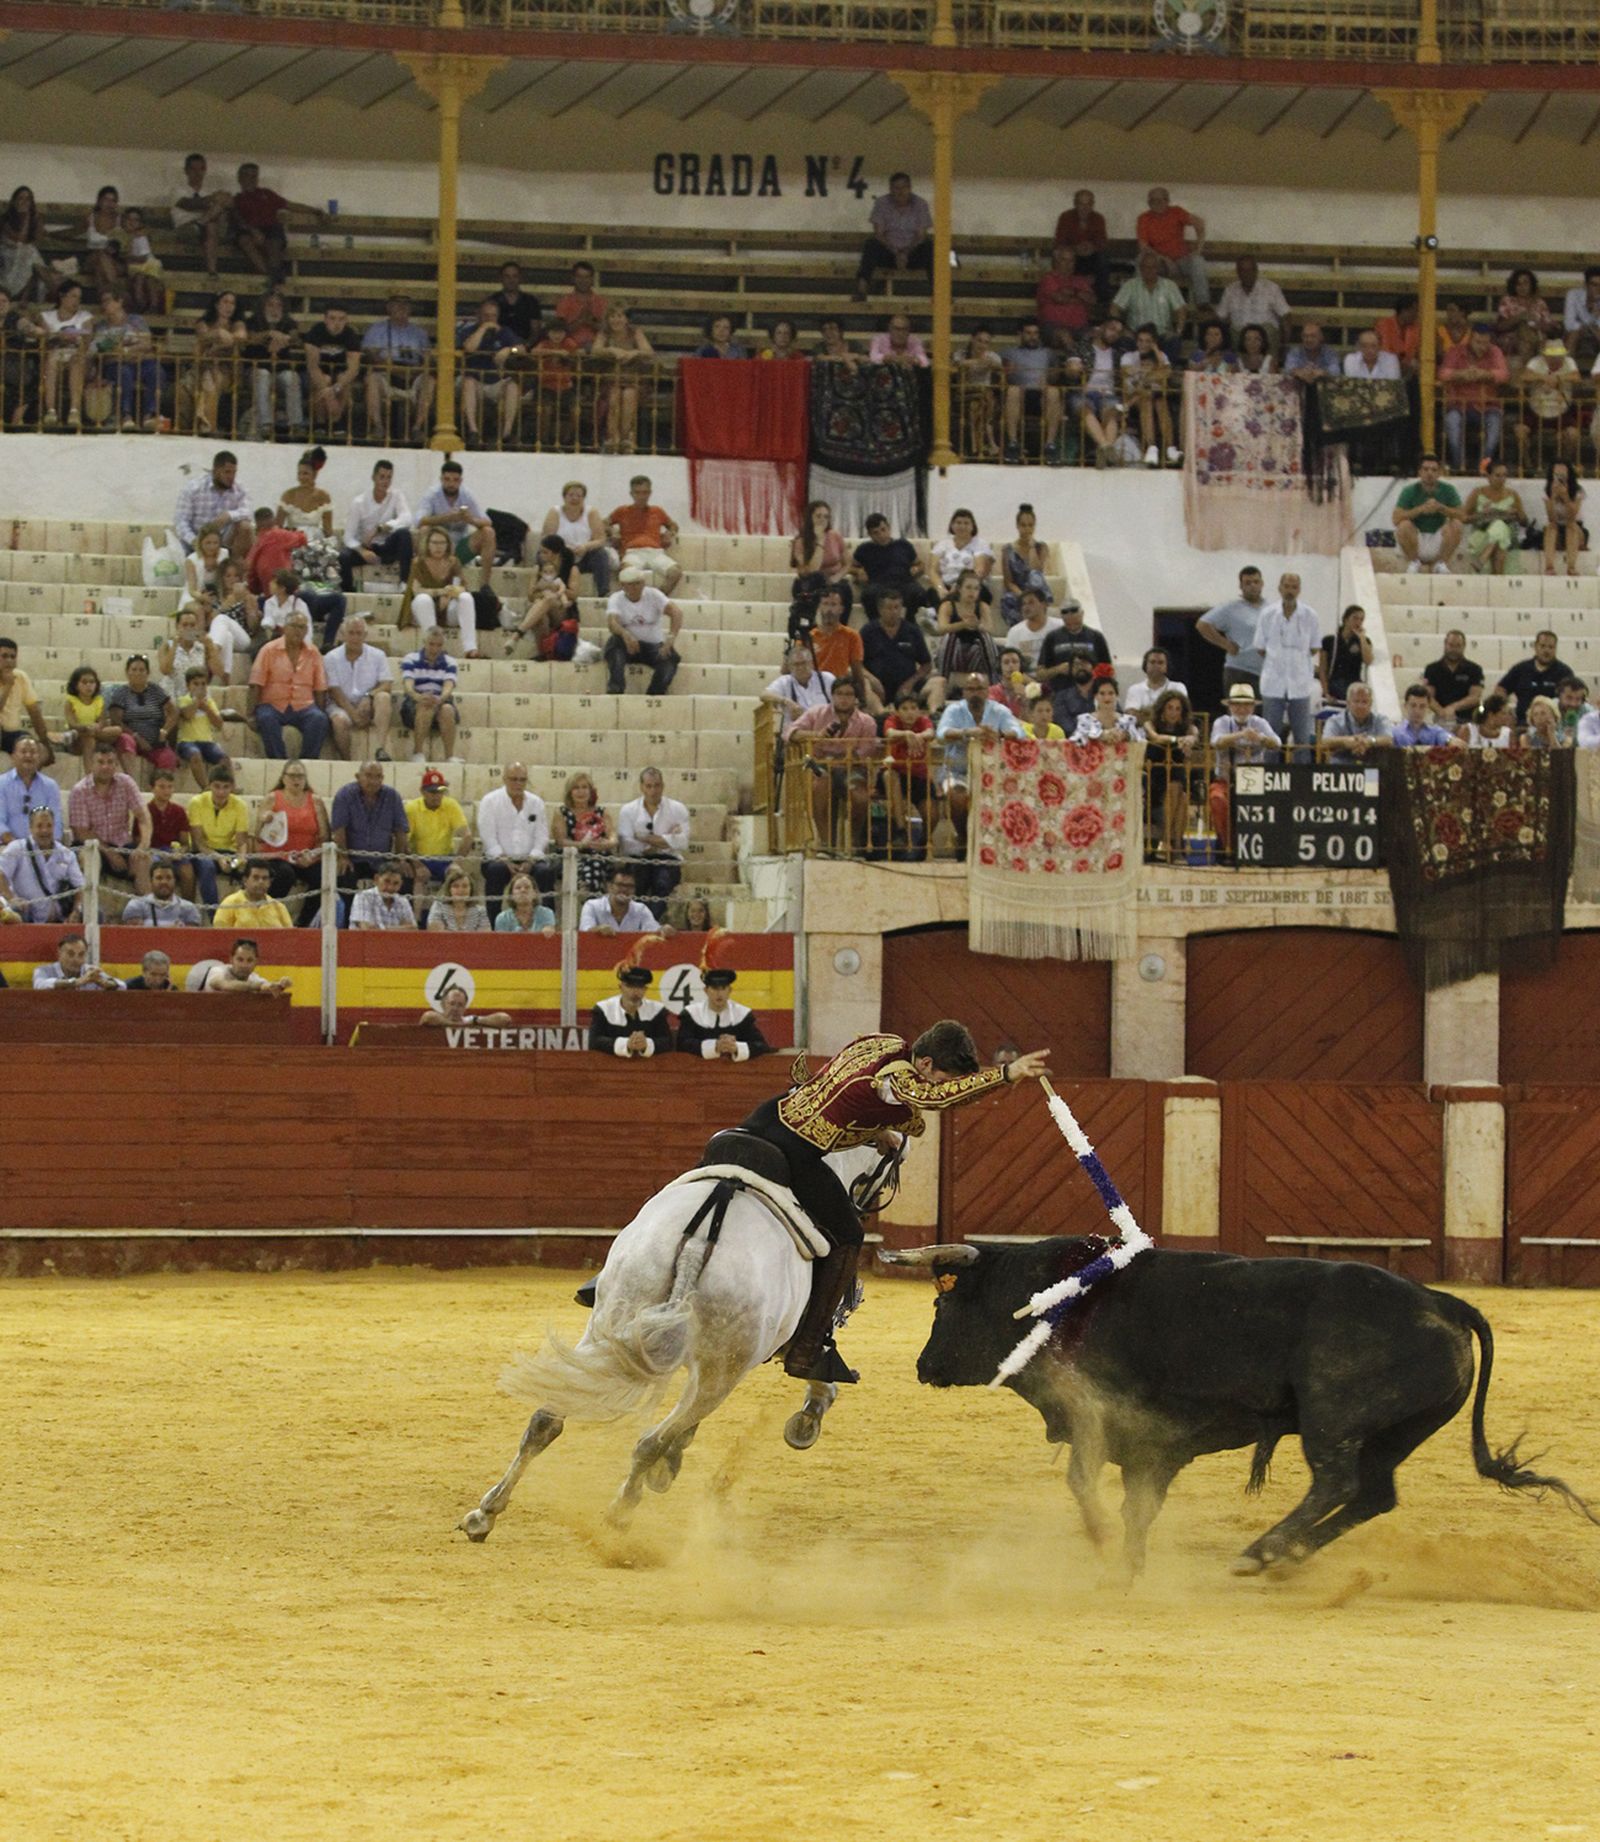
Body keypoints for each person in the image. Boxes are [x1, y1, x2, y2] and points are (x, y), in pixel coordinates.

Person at [733, 1022, 1051, 1383]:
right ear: (926, 1063)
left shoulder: (882, 1043)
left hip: (766, 1116)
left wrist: (875, 1130)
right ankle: (807, 1350)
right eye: (939, 1078)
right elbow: (934, 1099)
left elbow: (840, 1086)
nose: (936, 1086)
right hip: (797, 1150)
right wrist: (1007, 1073)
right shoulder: (899, 1081)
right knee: (850, 1235)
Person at [936, 671, 1028, 849]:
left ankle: (999, 846)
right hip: (957, 772)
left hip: (993, 773)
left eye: (979, 689)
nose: (975, 693)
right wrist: (966, 733)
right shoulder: (954, 710)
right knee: (957, 796)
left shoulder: (999, 711)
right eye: (970, 689)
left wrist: (999, 735)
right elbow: (941, 734)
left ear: (987, 691)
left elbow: (1020, 733)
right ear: (964, 692)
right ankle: (964, 839)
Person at [788, 679, 879, 850]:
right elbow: (790, 733)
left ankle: (854, 842)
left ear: (856, 699)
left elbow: (866, 750)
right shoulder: (816, 713)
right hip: (818, 765)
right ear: (832, 696)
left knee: (860, 797)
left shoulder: (867, 721)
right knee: (821, 785)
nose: (844, 699)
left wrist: (850, 756)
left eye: (849, 694)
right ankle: (825, 843)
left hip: (851, 768)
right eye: (839, 694)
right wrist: (817, 735)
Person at [69, 742, 153, 894]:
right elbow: (81, 831)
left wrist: (142, 846)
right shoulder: (79, 790)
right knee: (89, 857)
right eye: (100, 762)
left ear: (116, 765)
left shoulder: (126, 783)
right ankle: (90, 913)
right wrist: (109, 853)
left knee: (143, 859)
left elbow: (143, 817)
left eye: (110, 762)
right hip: (93, 846)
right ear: (92, 764)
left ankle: (148, 912)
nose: (105, 767)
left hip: (122, 843)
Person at [249, 607, 329, 762]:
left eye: (302, 627)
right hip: (272, 704)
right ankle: (279, 763)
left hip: (304, 706)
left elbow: (320, 687)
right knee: (266, 718)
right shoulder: (268, 650)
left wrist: (322, 711)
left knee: (319, 719)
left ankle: (306, 763)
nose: (298, 631)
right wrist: (250, 714)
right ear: (285, 628)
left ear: (306, 631)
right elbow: (255, 684)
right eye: (293, 626)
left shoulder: (313, 653)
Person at [1254, 572, 1321, 756]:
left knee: (1302, 738)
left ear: (1299, 589)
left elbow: (1315, 648)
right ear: (1279, 588)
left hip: (1300, 684)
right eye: (1287, 586)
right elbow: (1260, 647)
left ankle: (1301, 781)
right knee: (1270, 737)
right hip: (1273, 684)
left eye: (1294, 587)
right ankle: (1270, 779)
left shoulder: (1310, 615)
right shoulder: (1267, 614)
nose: (1290, 591)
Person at [255, 759, 330, 922]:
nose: (296, 780)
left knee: (323, 877)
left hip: (306, 856)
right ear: (283, 778)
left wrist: (311, 856)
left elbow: (324, 837)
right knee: (285, 874)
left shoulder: (316, 801)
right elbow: (258, 835)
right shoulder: (272, 798)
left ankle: (304, 923)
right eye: (292, 776)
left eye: (300, 776)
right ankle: (266, 915)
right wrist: (265, 820)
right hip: (277, 856)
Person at [232, 163, 325, 284]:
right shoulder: (237, 199)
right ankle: (273, 276)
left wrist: (315, 210)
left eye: (254, 176)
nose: (251, 180)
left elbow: (290, 205)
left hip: (271, 229)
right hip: (249, 231)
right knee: (245, 241)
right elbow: (239, 220)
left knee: (274, 242)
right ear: (239, 178)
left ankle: (274, 276)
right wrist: (253, 231)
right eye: (247, 176)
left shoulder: (267, 194)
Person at [477, 761, 553, 907]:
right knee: (496, 870)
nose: (518, 783)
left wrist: (531, 861)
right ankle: (494, 926)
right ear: (504, 779)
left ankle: (546, 924)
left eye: (522, 779)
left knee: (545, 872)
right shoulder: (490, 801)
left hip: (530, 858)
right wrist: (505, 861)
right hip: (498, 859)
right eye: (514, 779)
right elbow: (488, 836)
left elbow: (542, 836)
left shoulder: (536, 803)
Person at [361, 293, 433, 441]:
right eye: (397, 304)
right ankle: (378, 427)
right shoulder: (377, 329)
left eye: (405, 304)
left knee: (430, 381)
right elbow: (370, 355)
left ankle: (417, 427)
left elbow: (427, 359)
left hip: (413, 373)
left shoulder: (419, 333)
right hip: (386, 373)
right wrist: (392, 368)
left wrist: (416, 370)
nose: (402, 308)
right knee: (372, 378)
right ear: (389, 307)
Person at [331, 762, 410, 897]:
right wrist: (343, 857)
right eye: (368, 776)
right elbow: (339, 829)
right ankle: (348, 918)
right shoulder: (344, 795)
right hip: (353, 858)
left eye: (378, 777)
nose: (373, 781)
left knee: (405, 878)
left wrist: (399, 859)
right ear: (358, 777)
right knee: (344, 877)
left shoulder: (392, 796)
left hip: (382, 860)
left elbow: (401, 830)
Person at [414, 460, 496, 589]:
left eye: (455, 480)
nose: (451, 484)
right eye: (447, 479)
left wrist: (470, 519)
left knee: (488, 532)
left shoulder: (467, 495)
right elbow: (419, 521)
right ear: (441, 479)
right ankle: (424, 578)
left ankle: (485, 586)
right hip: (437, 548)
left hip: (459, 547)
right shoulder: (432, 494)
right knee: (424, 530)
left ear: (460, 481)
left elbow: (487, 521)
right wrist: (446, 518)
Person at [405, 527, 481, 664]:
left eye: (442, 543)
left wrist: (450, 594)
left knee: (466, 597)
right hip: (424, 610)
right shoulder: (418, 562)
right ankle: (433, 647)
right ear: (427, 544)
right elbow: (417, 590)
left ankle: (470, 648)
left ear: (448, 545)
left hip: (446, 609)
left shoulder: (453, 562)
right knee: (423, 599)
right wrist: (441, 592)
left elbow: (462, 587)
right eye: (434, 543)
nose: (438, 547)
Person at [324, 616, 395, 762]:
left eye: (359, 633)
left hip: (368, 704)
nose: (355, 637)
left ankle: (380, 749)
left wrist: (369, 696)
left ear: (365, 635)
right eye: (351, 633)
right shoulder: (331, 657)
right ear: (343, 634)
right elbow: (334, 690)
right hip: (341, 704)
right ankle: (347, 760)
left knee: (383, 697)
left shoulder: (377, 655)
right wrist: (353, 714)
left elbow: (386, 683)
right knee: (339, 721)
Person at [617, 767, 690, 909]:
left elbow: (683, 842)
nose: (653, 791)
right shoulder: (628, 810)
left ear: (662, 786)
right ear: (641, 787)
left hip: (668, 860)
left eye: (657, 786)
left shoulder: (678, 808)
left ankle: (650, 925)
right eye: (648, 786)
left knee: (663, 883)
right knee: (636, 884)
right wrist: (666, 840)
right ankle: (638, 926)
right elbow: (626, 845)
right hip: (638, 860)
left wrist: (643, 838)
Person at [1034, 600, 1111, 733]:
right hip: (1060, 696)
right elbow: (1040, 673)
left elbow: (1108, 670)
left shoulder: (1096, 637)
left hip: (1091, 695)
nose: (1072, 624)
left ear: (1082, 614)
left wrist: (1089, 673)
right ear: (1062, 618)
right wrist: (1058, 669)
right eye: (1067, 621)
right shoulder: (1052, 637)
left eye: (1074, 612)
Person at [1441, 322, 1508, 472]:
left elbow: (1504, 375)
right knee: (1452, 423)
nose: (1482, 346)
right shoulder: (1455, 351)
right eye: (1478, 342)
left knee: (1494, 429)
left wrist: (1484, 374)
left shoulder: (1495, 351)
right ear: (1470, 339)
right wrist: (1461, 374)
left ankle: (1483, 468)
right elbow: (1443, 373)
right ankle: (1459, 466)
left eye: (1485, 343)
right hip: (1459, 405)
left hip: (1488, 406)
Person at [456, 296, 523, 447]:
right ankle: (473, 431)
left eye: (493, 316)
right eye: (486, 315)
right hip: (474, 380)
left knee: (512, 386)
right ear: (478, 315)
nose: (490, 319)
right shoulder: (469, 331)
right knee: (468, 383)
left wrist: (508, 349)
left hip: (496, 381)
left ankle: (506, 433)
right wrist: (484, 328)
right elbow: (469, 348)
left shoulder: (504, 332)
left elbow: (521, 348)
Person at [604, 567, 682, 696]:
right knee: (614, 645)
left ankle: (654, 694)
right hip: (627, 645)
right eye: (630, 584)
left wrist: (671, 637)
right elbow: (612, 622)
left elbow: (676, 612)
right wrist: (625, 634)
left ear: (643, 583)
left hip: (652, 646)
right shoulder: (616, 598)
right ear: (622, 586)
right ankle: (615, 691)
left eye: (638, 583)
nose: (635, 588)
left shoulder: (653, 595)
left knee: (670, 658)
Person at [854, 172, 932, 300]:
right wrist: (896, 253)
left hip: (912, 254)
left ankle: (940, 293)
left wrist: (905, 253)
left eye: (904, 187)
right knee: (871, 244)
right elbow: (879, 234)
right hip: (889, 253)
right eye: (896, 188)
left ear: (910, 188)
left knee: (930, 246)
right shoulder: (882, 203)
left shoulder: (920, 204)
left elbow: (921, 236)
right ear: (890, 189)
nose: (900, 192)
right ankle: (861, 290)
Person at [340, 460, 414, 593]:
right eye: (382, 477)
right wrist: (362, 551)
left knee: (404, 534)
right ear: (373, 478)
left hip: (386, 546)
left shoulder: (396, 496)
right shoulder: (359, 502)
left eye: (389, 477)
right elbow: (348, 537)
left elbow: (407, 518)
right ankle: (349, 592)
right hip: (367, 548)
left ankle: (404, 583)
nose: (385, 481)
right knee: (343, 556)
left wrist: (381, 528)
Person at [0, 804, 83, 922]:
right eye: (39, 826)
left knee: (93, 913)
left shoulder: (66, 854)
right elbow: (1, 874)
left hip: (61, 917)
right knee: (11, 911)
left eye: (49, 826)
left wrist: (76, 910)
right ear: (30, 828)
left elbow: (80, 887)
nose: (45, 830)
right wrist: (11, 898)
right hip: (26, 915)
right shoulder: (17, 848)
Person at [1143, 688, 1199, 862]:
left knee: (1180, 794)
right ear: (1162, 709)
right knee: (1177, 790)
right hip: (1155, 781)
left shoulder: (1189, 728)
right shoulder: (1150, 724)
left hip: (1176, 781)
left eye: (1177, 709)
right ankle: (1173, 846)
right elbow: (1156, 737)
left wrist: (1189, 741)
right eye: (1170, 708)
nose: (1174, 712)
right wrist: (1176, 740)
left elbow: (1194, 737)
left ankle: (1169, 844)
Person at [187, 762, 252, 910]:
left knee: (250, 869)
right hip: (204, 852)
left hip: (229, 851)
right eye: (217, 786)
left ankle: (247, 913)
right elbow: (198, 843)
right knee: (207, 866)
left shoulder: (240, 805)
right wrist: (218, 857)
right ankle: (214, 915)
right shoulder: (196, 803)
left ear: (232, 788)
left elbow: (241, 842)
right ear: (209, 786)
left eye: (226, 787)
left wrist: (240, 860)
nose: (221, 792)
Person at [241, 288, 302, 438]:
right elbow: (250, 338)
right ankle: (265, 424)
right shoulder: (252, 322)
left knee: (292, 377)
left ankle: (296, 424)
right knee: (262, 375)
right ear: (263, 307)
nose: (275, 309)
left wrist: (284, 339)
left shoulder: (288, 323)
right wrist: (269, 334)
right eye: (270, 305)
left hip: (280, 370)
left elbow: (295, 338)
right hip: (256, 369)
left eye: (279, 305)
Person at [405, 766, 472, 902]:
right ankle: (417, 919)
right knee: (420, 877)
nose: (436, 795)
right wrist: (417, 864)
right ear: (423, 791)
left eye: (440, 791)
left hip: (445, 858)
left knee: (456, 875)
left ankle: (452, 915)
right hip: (421, 857)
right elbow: (404, 841)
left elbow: (467, 836)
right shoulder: (412, 808)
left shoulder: (450, 805)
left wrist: (457, 862)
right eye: (432, 791)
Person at [1136, 185, 1209, 306]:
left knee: (1198, 261)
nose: (1157, 203)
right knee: (1140, 260)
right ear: (1148, 203)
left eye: (1160, 200)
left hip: (1181, 261)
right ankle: (1140, 300)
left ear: (1167, 201)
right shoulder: (1144, 218)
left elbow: (1200, 224)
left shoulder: (1176, 212)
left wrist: (1198, 249)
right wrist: (1164, 259)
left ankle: (1203, 303)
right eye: (1153, 200)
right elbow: (1143, 246)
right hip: (1158, 262)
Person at [607, 475, 681, 593]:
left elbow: (673, 525)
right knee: (627, 573)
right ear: (631, 493)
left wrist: (669, 533)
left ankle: (657, 598)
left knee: (675, 572)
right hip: (632, 552)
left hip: (655, 552)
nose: (641, 496)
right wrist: (612, 532)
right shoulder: (622, 511)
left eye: (645, 492)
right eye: (637, 492)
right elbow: (604, 523)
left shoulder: (657, 511)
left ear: (650, 493)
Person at [676, 969, 771, 1061]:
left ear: (729, 990)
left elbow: (761, 1045)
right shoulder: (692, 1013)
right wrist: (714, 1046)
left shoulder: (741, 1014)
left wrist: (736, 1047)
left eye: (723, 988)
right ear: (706, 990)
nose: (719, 994)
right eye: (714, 988)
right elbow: (681, 1045)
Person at [1003, 319, 1063, 464]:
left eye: (1035, 333)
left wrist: (1050, 376)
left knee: (1054, 392)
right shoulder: (1008, 352)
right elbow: (995, 367)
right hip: (1019, 394)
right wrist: (1005, 371)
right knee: (1012, 391)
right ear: (1020, 335)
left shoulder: (1048, 353)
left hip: (1041, 395)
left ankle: (1050, 444)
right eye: (1028, 333)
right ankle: (1013, 443)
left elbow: (1057, 374)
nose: (1033, 336)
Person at [399, 627, 460, 765]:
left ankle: (449, 756)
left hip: (440, 699)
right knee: (425, 705)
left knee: (447, 710)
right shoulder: (411, 658)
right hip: (415, 700)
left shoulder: (450, 662)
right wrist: (418, 697)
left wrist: (440, 699)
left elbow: (448, 685)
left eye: (439, 645)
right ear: (424, 642)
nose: (435, 649)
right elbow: (408, 684)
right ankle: (418, 752)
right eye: (431, 644)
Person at [861, 590, 931, 709]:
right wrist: (872, 680)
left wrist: (910, 683)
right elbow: (857, 664)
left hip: (907, 688)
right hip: (878, 688)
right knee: (865, 685)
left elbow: (926, 664)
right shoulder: (868, 631)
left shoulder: (912, 631)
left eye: (896, 607)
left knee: (939, 682)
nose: (893, 612)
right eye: (889, 608)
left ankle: (935, 714)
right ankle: (882, 715)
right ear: (880, 609)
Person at [544, 481, 614, 600]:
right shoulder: (555, 512)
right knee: (543, 555)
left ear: (583, 498)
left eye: (578, 496)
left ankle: (604, 592)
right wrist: (565, 548)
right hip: (561, 556)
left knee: (601, 554)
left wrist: (585, 547)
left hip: (584, 555)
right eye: (571, 495)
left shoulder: (592, 512)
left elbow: (601, 539)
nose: (575, 498)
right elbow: (547, 538)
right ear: (564, 497)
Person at [175, 450, 251, 559]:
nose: (231, 477)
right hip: (195, 542)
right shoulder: (193, 488)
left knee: (245, 526)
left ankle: (236, 568)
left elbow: (248, 511)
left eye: (234, 472)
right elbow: (181, 521)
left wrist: (229, 515)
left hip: (223, 542)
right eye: (227, 472)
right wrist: (195, 541)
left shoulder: (239, 489)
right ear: (215, 471)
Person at [852, 511, 928, 620]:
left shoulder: (903, 545)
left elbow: (920, 564)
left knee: (918, 593)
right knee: (868, 595)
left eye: (883, 529)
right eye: (876, 533)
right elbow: (850, 567)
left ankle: (909, 624)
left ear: (889, 528)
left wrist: (916, 569)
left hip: (904, 583)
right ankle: (876, 627)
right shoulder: (864, 549)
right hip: (878, 585)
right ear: (870, 535)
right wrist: (858, 572)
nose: (881, 535)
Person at [554, 771, 617, 896]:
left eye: (584, 787)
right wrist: (582, 845)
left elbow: (613, 838)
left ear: (591, 791)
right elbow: (560, 841)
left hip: (598, 854)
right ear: (570, 792)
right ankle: (589, 896)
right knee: (587, 867)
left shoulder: (602, 812)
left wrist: (606, 844)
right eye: (576, 788)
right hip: (572, 855)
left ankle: (587, 891)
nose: (581, 792)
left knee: (596, 863)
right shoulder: (561, 813)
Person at [588, 964, 673, 1056]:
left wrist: (647, 1044)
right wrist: (625, 1044)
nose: (635, 991)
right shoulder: (604, 1009)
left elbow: (668, 1042)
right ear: (621, 987)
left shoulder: (656, 1010)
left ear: (645, 989)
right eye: (630, 986)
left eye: (640, 986)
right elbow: (594, 1042)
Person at [170, 665, 229, 792]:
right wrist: (197, 701)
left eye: (203, 684)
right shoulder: (183, 700)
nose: (199, 687)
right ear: (188, 685)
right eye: (195, 684)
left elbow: (219, 724)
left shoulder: (210, 702)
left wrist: (207, 708)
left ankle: (230, 787)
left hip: (207, 742)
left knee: (224, 759)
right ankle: (206, 787)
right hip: (187, 741)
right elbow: (188, 715)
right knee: (195, 755)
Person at [1113, 251, 1187, 352]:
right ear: (1140, 268)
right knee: (1122, 341)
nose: (1149, 270)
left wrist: (1177, 332)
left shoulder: (1169, 285)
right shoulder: (1130, 285)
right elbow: (1114, 308)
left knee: (1174, 341)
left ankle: (1165, 368)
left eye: (1153, 267)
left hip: (1161, 336)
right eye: (1146, 267)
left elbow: (1181, 310)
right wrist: (1122, 329)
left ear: (1158, 269)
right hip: (1136, 336)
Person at [1462, 462, 1525, 576]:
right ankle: (1498, 580)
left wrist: (1517, 513)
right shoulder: (1478, 493)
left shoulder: (1512, 494)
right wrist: (1481, 514)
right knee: (1500, 528)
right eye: (1498, 475)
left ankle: (1483, 559)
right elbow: (1463, 518)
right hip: (1482, 536)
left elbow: (1524, 521)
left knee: (1500, 527)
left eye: (1504, 475)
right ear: (1488, 477)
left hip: (1506, 538)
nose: (1502, 479)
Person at [1215, 256, 1289, 353]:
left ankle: (1269, 365)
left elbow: (1286, 315)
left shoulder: (1271, 288)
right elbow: (1220, 317)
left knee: (1269, 330)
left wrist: (1284, 340)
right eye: (1242, 270)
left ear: (1256, 271)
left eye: (1250, 270)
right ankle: (1238, 366)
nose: (1246, 274)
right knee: (1232, 331)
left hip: (1265, 335)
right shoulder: (1230, 290)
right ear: (1237, 272)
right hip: (1240, 335)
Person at [1499, 629, 1574, 722]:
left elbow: (1573, 697)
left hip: (1554, 727)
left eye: (1551, 647)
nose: (1546, 650)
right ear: (1535, 646)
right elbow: (1501, 689)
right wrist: (1505, 709)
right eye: (1542, 646)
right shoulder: (1521, 669)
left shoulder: (1564, 672)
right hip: (1522, 725)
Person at [762, 639, 835, 734]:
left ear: (811, 663)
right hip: (797, 738)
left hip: (826, 733)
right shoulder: (785, 681)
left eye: (804, 663)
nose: (800, 668)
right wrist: (787, 702)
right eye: (796, 664)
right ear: (790, 666)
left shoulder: (826, 678)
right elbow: (764, 695)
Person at [0, 736, 59, 845]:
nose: (28, 756)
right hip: (7, 847)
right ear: (13, 757)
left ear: (39, 757)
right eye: (23, 752)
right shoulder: (1, 784)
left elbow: (56, 823)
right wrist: (20, 848)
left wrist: (48, 848)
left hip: (42, 847)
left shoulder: (50, 786)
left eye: (33, 752)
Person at [1052, 187, 1109, 298]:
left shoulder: (1098, 218)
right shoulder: (1065, 217)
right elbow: (1060, 241)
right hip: (1072, 255)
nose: (1085, 208)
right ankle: (1065, 292)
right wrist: (1074, 248)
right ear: (1075, 204)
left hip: (1092, 256)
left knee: (1103, 259)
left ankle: (1100, 298)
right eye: (1081, 204)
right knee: (1061, 257)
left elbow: (1102, 242)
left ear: (1092, 204)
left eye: (1088, 204)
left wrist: (1091, 247)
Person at [1321, 683, 1393, 765]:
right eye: (1356, 701)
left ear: (1371, 703)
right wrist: (1347, 741)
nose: (1360, 706)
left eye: (1364, 702)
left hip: (1371, 768)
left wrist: (1369, 741)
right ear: (1348, 703)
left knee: (1375, 776)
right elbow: (1325, 741)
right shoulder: (1335, 720)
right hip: (1342, 769)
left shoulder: (1380, 719)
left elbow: (1388, 739)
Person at [1424, 629, 1486, 722]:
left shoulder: (1475, 669)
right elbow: (1428, 696)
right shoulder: (1432, 669)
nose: (1454, 649)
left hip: (1467, 719)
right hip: (1441, 719)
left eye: (1458, 646)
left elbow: (1475, 697)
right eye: (1451, 645)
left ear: (1464, 646)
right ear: (1445, 644)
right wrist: (1442, 712)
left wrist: (1453, 707)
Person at [579, 865, 661, 934]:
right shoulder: (592, 906)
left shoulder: (641, 909)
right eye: (620, 885)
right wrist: (598, 930)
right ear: (609, 887)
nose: (624, 890)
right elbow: (584, 933)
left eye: (630, 886)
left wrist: (664, 930)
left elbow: (654, 931)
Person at [214, 860, 294, 929]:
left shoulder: (279, 907)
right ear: (245, 880)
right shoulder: (230, 903)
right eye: (256, 878)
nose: (261, 882)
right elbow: (220, 937)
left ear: (269, 883)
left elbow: (290, 938)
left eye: (265, 878)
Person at [203, 936, 292, 996]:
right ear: (231, 960)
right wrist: (259, 986)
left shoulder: (254, 979)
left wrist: (280, 985)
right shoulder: (217, 971)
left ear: (256, 962)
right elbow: (227, 985)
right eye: (240, 960)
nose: (244, 965)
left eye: (249, 960)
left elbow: (266, 986)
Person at [1318, 606, 1372, 706]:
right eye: (1355, 618)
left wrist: (1362, 638)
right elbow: (1322, 669)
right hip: (1335, 682)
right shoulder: (1330, 641)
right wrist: (1326, 693)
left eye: (1361, 619)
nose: (1358, 622)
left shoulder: (1363, 641)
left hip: (1354, 682)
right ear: (1346, 619)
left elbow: (1368, 661)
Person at [33, 933, 122, 992]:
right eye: (70, 954)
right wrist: (76, 982)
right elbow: (39, 985)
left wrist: (104, 983)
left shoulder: (90, 971)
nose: (76, 959)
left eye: (81, 955)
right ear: (59, 953)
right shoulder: (43, 970)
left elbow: (122, 985)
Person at [1071, 673, 1142, 743]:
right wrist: (1100, 736)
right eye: (1102, 693)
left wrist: (1126, 735)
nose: (1107, 698)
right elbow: (1076, 741)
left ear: (1117, 695)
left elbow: (1140, 741)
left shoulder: (1128, 720)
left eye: (1111, 693)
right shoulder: (1086, 720)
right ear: (1095, 696)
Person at [1543, 459, 1585, 577]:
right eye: (1557, 474)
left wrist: (1566, 497)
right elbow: (1551, 518)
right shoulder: (1548, 490)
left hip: (1575, 528)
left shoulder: (1577, 490)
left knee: (1570, 526)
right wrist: (1553, 497)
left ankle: (1571, 567)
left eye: (1563, 474)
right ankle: (1549, 567)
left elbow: (1573, 516)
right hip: (1556, 528)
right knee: (1551, 527)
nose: (1560, 477)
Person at [551, 261, 607, 350]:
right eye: (579, 277)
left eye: (587, 277)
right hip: (569, 347)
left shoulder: (600, 302)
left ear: (592, 279)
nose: (583, 281)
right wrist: (580, 320)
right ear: (573, 278)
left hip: (596, 346)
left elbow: (606, 329)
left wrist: (590, 321)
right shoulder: (564, 302)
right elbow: (559, 332)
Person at [349, 859, 417, 931]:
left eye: (396, 883)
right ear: (376, 879)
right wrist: (400, 929)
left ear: (401, 885)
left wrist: (380, 928)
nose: (390, 887)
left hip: (396, 942)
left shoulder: (403, 901)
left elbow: (413, 929)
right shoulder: (363, 897)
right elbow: (366, 929)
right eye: (387, 881)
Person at [1391, 683, 1462, 748]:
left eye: (1422, 706)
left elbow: (1447, 738)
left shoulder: (1435, 731)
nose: (1417, 711)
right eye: (1413, 705)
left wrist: (1451, 740)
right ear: (1405, 706)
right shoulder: (1394, 732)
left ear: (1428, 708)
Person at [427, 862, 490, 933]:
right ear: (449, 889)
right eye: (456, 886)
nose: (461, 890)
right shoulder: (439, 907)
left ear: (471, 889)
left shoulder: (480, 911)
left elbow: (484, 938)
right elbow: (436, 933)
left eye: (465, 886)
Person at [1123, 648, 1188, 716]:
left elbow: (1181, 714)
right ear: (1145, 665)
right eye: (1152, 662)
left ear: (1167, 667)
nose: (1156, 666)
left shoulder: (1178, 687)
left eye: (1160, 663)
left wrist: (1144, 713)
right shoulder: (1134, 689)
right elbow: (1131, 715)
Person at [420, 985, 512, 1029]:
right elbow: (428, 1017)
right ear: (443, 1004)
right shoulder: (437, 1020)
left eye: (460, 1005)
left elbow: (505, 1019)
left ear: (465, 1008)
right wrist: (455, 1025)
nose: (455, 1008)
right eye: (452, 1003)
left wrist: (477, 1020)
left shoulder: (470, 1020)